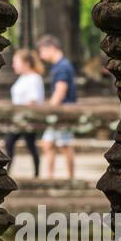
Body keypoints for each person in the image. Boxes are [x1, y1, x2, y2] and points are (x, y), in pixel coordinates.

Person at [36, 34, 77, 180]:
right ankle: (50, 177)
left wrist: (49, 109)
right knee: (47, 144)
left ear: (51, 48)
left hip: (62, 113)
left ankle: (71, 179)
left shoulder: (62, 66)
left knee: (65, 146)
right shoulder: (60, 65)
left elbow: (60, 91)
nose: (41, 55)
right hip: (58, 113)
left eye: (42, 51)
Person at [4, 48, 46, 177]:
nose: (13, 65)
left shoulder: (34, 78)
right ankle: (9, 170)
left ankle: (36, 173)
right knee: (11, 143)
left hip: (27, 118)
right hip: (18, 118)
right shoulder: (22, 78)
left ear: (26, 63)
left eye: (16, 62)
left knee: (27, 145)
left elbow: (33, 100)